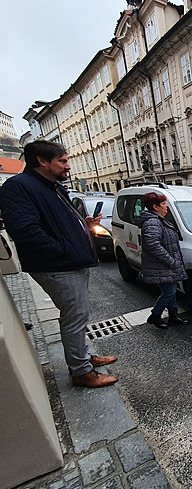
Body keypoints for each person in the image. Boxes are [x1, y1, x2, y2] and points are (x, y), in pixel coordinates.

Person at [0, 140, 118, 388]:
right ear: (42, 161)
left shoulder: (51, 186)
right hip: (58, 265)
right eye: (62, 161)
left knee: (79, 315)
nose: (68, 167)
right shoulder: (20, 187)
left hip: (69, 261)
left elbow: (56, 223)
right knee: (74, 318)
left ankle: (84, 357)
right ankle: (81, 371)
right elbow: (26, 231)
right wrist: (65, 250)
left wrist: (81, 225)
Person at [138, 192, 189, 329]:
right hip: (162, 266)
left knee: (171, 291)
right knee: (169, 292)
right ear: (155, 207)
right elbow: (152, 244)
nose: (166, 207)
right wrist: (170, 261)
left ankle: (173, 316)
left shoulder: (158, 220)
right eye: (163, 204)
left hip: (165, 266)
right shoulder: (153, 222)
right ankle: (155, 315)